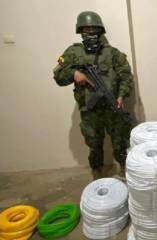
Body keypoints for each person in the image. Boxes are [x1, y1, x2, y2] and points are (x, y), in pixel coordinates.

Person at [53, 11, 133, 179]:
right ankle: (97, 171)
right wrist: (74, 74)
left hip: (112, 107)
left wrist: (120, 96)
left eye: (94, 30)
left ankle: (124, 167)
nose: (90, 34)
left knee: (119, 139)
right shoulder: (73, 52)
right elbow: (58, 76)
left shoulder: (113, 54)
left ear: (100, 31)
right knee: (94, 143)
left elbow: (126, 76)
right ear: (80, 31)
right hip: (90, 110)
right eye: (86, 30)